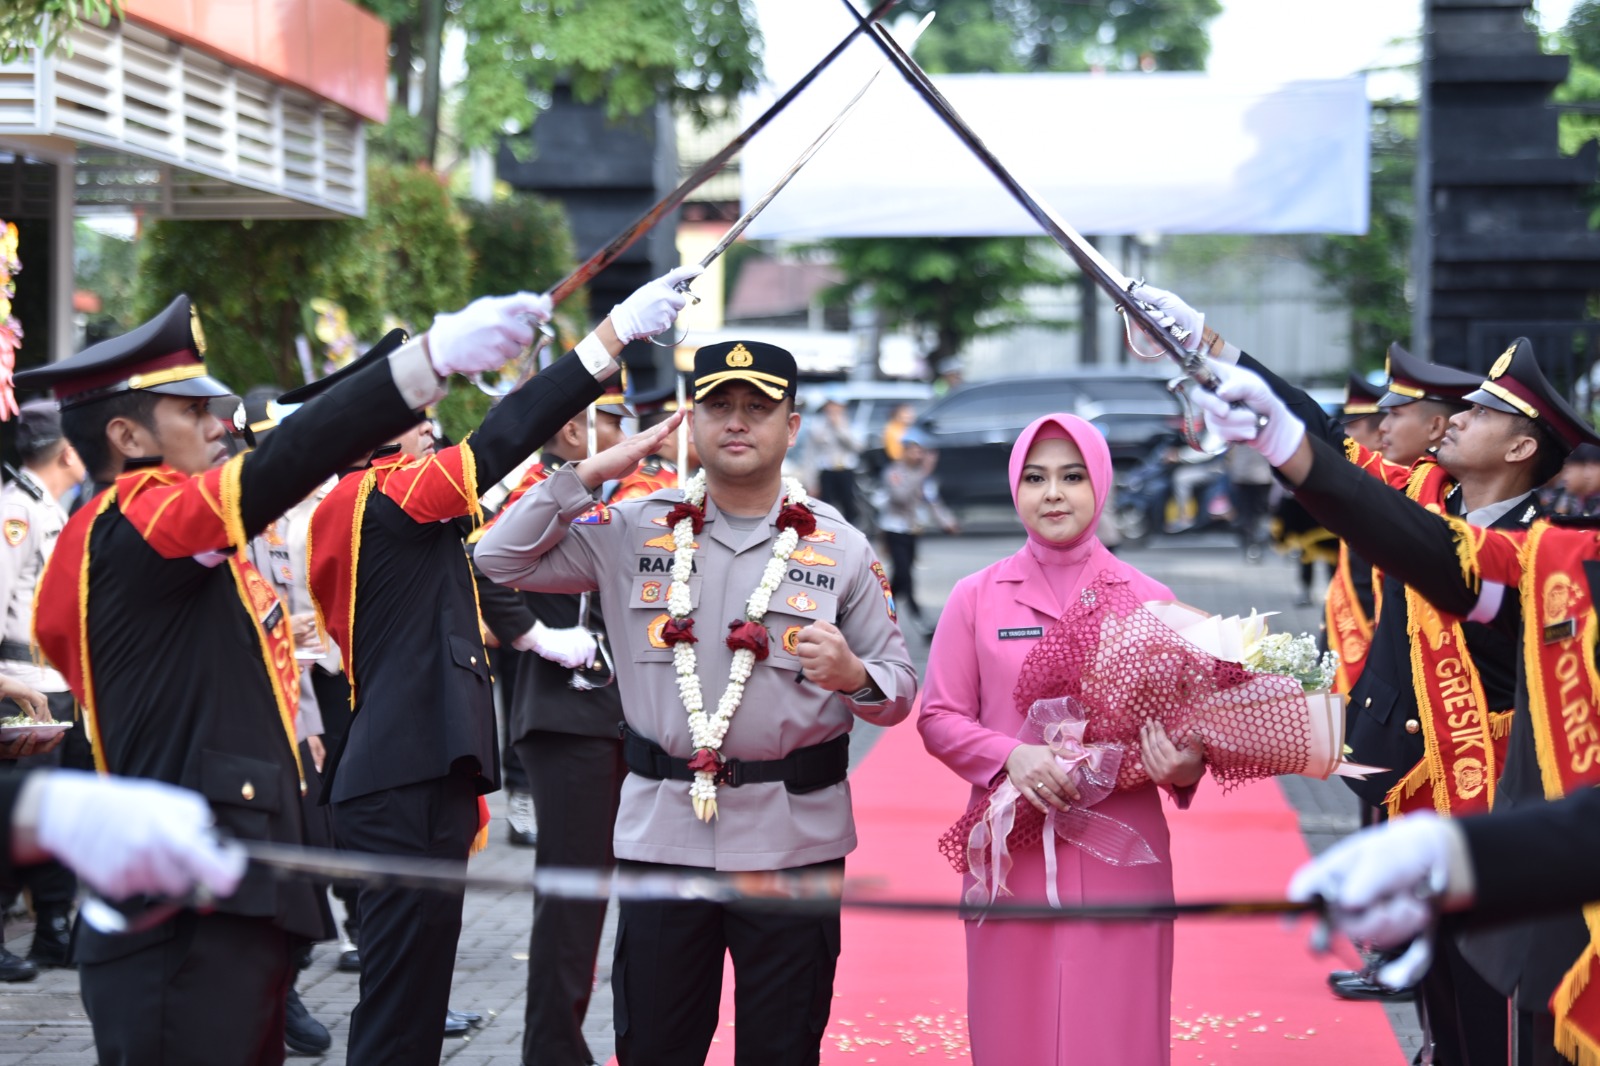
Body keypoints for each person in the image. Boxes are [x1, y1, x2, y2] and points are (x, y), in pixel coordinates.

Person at [19, 289, 549, 1066]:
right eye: (189, 412)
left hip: (234, 889)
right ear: (126, 435)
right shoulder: (134, 520)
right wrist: (427, 361)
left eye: (217, 409)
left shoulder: (171, 542)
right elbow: (283, 468)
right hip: (179, 909)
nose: (217, 426)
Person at [474, 338, 917, 1066]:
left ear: (792, 427)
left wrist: (851, 675)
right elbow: (495, 559)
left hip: (793, 842)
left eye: (757, 408)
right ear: (692, 420)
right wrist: (586, 475)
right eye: (718, 406)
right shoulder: (634, 527)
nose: (737, 422)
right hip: (662, 838)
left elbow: (898, 690)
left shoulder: (839, 546)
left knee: (781, 1048)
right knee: (654, 1045)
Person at [298, 267, 695, 1066]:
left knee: (412, 1005)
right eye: (417, 419)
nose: (431, 430)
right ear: (378, 433)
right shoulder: (377, 495)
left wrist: (596, 468)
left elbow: (506, 476)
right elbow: (502, 442)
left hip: (418, 772)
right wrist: (610, 336)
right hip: (400, 778)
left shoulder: (388, 498)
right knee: (396, 1012)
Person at [1185, 330, 1598, 1066]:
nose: (1458, 417)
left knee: (1496, 1034)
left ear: (1519, 451)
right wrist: (1207, 348)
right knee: (1448, 1027)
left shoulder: (1557, 557)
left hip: (1499, 820)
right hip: (1421, 804)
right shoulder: (1439, 507)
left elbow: (1449, 560)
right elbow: (1347, 472)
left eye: (1483, 411)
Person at [917, 413, 1205, 1064]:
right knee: (1012, 1026)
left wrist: (1184, 766)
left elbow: (1191, 730)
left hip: (1122, 856)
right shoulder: (975, 597)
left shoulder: (1150, 599)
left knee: (1117, 1031)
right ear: (1014, 488)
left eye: (1072, 477)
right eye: (1036, 477)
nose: (1054, 494)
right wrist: (1011, 755)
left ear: (1100, 483)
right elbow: (939, 716)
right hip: (1010, 856)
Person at [476, 387, 632, 1066]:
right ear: (572, 427)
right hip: (566, 716)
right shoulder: (534, 491)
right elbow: (483, 566)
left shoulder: (640, 490)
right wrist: (536, 635)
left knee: (650, 894)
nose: (623, 431)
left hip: (634, 714)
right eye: (610, 420)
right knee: (573, 895)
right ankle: (553, 1049)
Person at [0, 400, 86, 974]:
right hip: (23, 683)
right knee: (14, 815)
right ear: (66, 451)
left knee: (56, 812)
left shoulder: (50, 507)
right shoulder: (18, 511)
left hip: (56, 682)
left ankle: (53, 928)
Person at [876, 427, 956, 636]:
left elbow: (933, 501)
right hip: (894, 529)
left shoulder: (922, 476)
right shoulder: (894, 472)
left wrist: (947, 522)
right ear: (904, 450)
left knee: (900, 580)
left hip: (912, 531)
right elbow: (899, 497)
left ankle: (877, 613)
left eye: (921, 451)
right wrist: (921, 476)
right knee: (906, 576)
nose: (918, 455)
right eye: (914, 450)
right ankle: (919, 621)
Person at [807, 396, 863, 524]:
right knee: (826, 504)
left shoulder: (851, 424)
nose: (833, 412)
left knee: (848, 503)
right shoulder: (818, 426)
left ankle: (851, 529)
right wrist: (811, 481)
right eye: (830, 409)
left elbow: (857, 447)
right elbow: (811, 454)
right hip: (827, 470)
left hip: (846, 469)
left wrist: (840, 428)